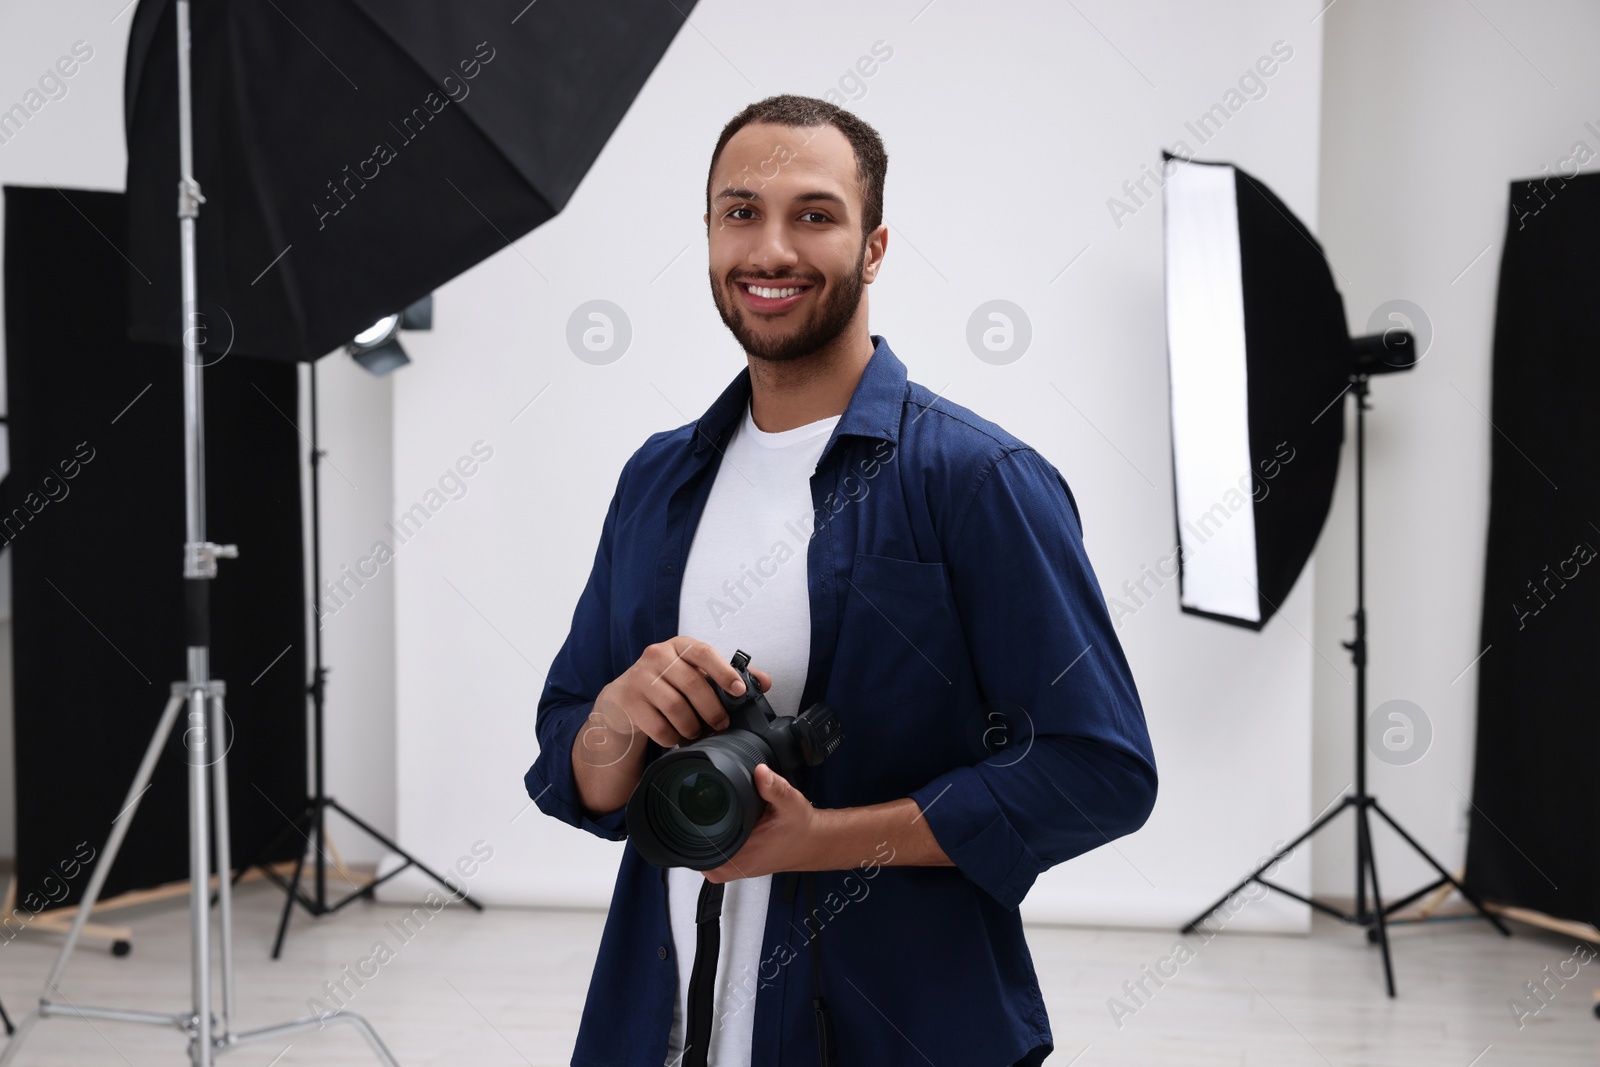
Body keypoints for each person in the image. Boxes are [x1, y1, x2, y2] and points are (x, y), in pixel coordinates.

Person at [525, 93, 1157, 1067]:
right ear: (706, 234)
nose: (770, 249)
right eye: (741, 212)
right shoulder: (657, 478)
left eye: (813, 215)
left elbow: (1098, 769)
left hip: (897, 1025)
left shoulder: (976, 480)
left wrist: (821, 838)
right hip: (654, 1024)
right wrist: (618, 708)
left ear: (874, 245)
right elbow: (570, 752)